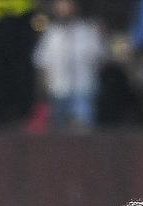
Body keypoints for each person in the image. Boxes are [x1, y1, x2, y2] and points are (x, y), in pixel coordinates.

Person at [34, 0, 109, 129]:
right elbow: (42, 62)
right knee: (60, 132)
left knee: (83, 128)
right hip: (58, 90)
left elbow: (100, 57)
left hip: (83, 89)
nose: (64, 10)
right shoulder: (51, 34)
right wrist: (46, 89)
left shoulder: (87, 31)